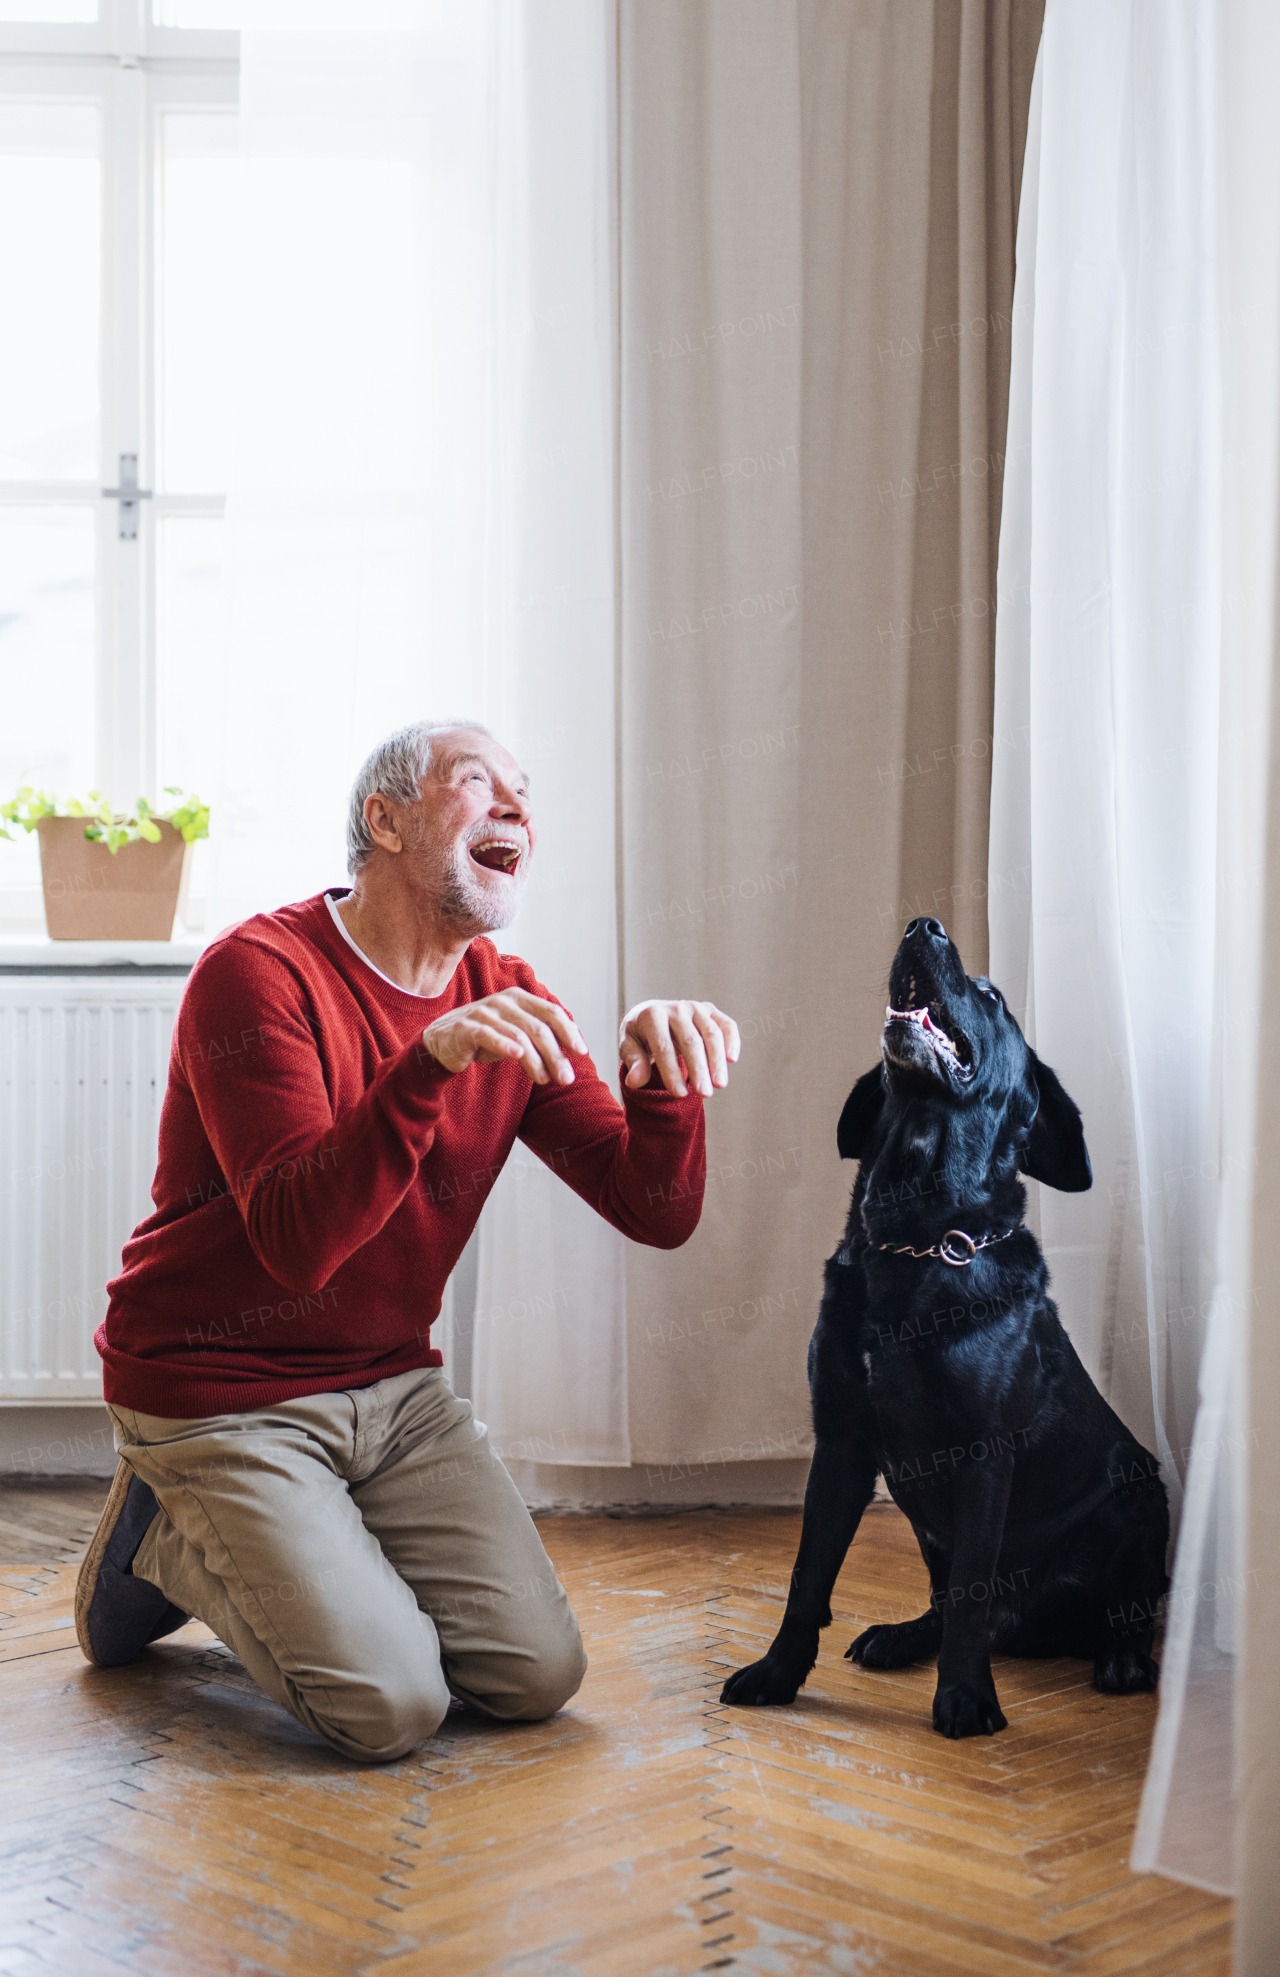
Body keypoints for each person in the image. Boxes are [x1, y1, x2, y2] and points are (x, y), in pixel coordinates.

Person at [76, 721, 738, 1762]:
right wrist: (422, 1069)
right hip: (217, 1388)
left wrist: (661, 1088)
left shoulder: (501, 994)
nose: (516, 808)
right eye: (478, 785)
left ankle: (307, 1539)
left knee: (533, 1678)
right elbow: (299, 1244)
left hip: (390, 1388)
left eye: (524, 792)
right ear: (383, 820)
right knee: (388, 1710)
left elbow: (651, 1211)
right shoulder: (255, 974)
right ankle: (162, 1537)